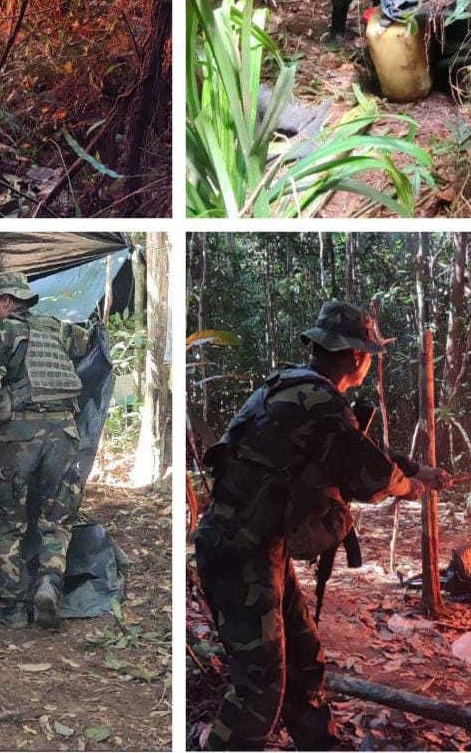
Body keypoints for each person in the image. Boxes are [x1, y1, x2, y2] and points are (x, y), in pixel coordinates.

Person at [193, 300, 451, 750]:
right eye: (369, 354)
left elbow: (351, 451)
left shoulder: (298, 387)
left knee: (303, 663)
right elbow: (369, 475)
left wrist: (415, 470)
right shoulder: (321, 401)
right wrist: (410, 487)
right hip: (240, 553)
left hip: (256, 547)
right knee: (259, 690)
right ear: (356, 356)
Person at [0, 272, 90, 629]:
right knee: (57, 520)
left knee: (7, 519)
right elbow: (87, 343)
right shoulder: (58, 328)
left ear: (7, 301)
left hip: (20, 436)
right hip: (65, 433)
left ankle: (14, 607)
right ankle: (49, 584)